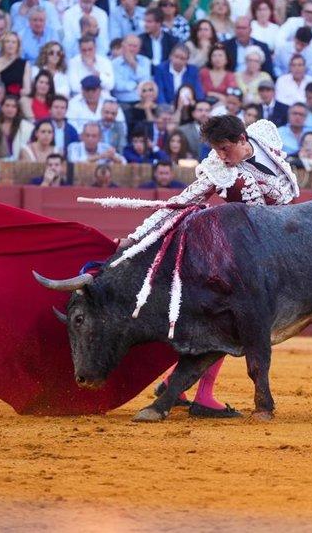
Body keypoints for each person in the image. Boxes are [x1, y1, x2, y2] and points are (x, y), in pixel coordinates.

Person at [118, 114, 300, 418]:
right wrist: (137, 237)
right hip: (241, 256)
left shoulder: (264, 136)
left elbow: (285, 192)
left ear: (243, 139)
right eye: (216, 150)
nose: (220, 156)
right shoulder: (217, 170)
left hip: (275, 248)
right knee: (230, 323)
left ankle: (175, 385)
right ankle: (202, 395)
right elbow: (178, 204)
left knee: (228, 322)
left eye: (224, 148)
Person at [0, 32, 31, 97]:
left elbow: (27, 88)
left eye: (14, 42)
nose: (10, 44)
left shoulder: (25, 64)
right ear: (3, 44)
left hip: (19, 99)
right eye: (7, 41)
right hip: (2, 97)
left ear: (18, 45)